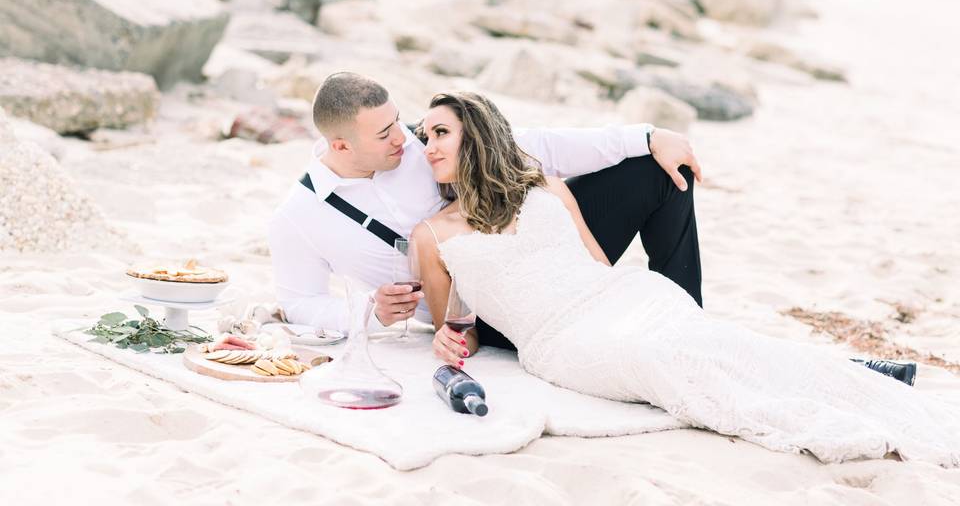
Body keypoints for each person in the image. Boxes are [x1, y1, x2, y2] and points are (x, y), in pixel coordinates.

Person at [411, 91, 957, 466]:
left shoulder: (546, 186)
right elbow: (458, 328)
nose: (428, 145)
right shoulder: (430, 237)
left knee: (710, 338)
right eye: (423, 135)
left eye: (440, 132)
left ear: (476, 137)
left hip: (617, 296)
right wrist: (449, 337)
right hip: (560, 341)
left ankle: (855, 382)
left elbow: (596, 264)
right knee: (663, 359)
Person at [268, 71, 704, 340]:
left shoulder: (422, 140)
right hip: (481, 314)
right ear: (340, 144)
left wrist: (644, 137)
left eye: (397, 120)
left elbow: (534, 148)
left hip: (539, 253)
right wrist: (369, 311)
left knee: (658, 171)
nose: (403, 137)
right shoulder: (299, 216)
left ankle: (685, 320)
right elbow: (299, 303)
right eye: (384, 134)